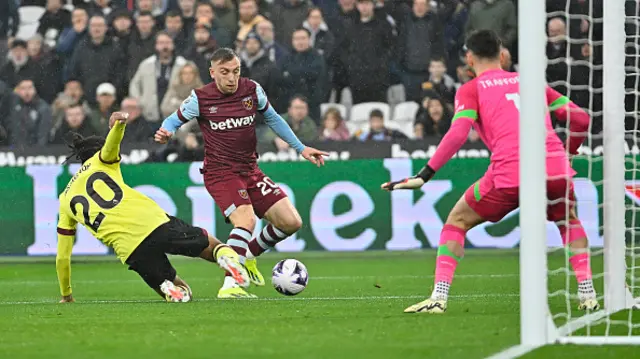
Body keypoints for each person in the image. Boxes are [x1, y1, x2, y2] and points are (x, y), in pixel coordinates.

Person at [381, 30, 598, 314]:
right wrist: (567, 152)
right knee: (568, 221)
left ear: (469, 58)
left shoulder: (472, 89)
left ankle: (438, 297)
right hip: (554, 169)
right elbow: (580, 118)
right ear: (503, 55)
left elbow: (458, 133)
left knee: (457, 221)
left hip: (509, 174)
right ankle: (588, 293)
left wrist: (425, 175)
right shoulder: (531, 83)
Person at [155, 48, 327, 299]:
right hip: (220, 172)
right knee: (246, 220)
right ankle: (230, 285)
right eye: (224, 72)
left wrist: (300, 148)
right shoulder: (200, 98)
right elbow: (172, 120)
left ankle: (247, 256)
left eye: (235, 71)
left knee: (291, 222)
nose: (231, 78)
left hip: (250, 169)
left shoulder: (252, 90)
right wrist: (165, 132)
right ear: (212, 73)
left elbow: (274, 119)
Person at [56, 112, 249, 304]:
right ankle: (227, 259)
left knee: (183, 291)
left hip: (130, 249)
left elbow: (62, 257)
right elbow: (112, 143)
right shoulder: (102, 161)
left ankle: (169, 287)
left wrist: (67, 295)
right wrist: (120, 123)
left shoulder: (64, 199)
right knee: (214, 246)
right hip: (154, 223)